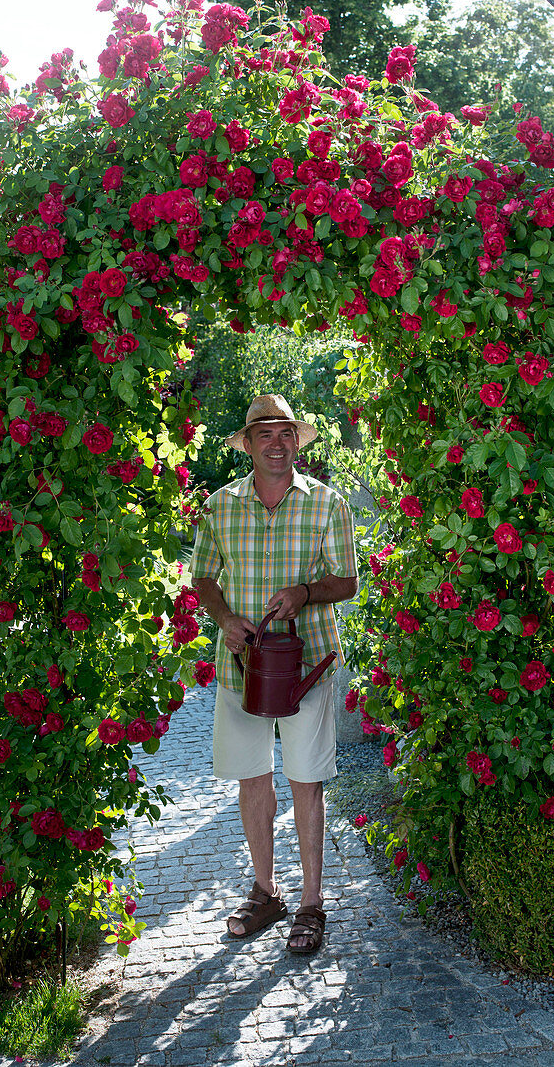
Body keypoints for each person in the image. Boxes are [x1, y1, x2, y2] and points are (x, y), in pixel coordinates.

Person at [191, 394, 358, 954]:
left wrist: (306, 592)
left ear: (296, 440)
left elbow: (348, 583)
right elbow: (204, 577)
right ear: (249, 444)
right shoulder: (219, 506)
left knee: (306, 780)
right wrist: (225, 618)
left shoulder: (327, 505)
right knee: (251, 778)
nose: (277, 443)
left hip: (306, 663)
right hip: (242, 667)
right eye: (265, 433)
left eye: (285, 432)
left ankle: (311, 903)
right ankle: (266, 892)